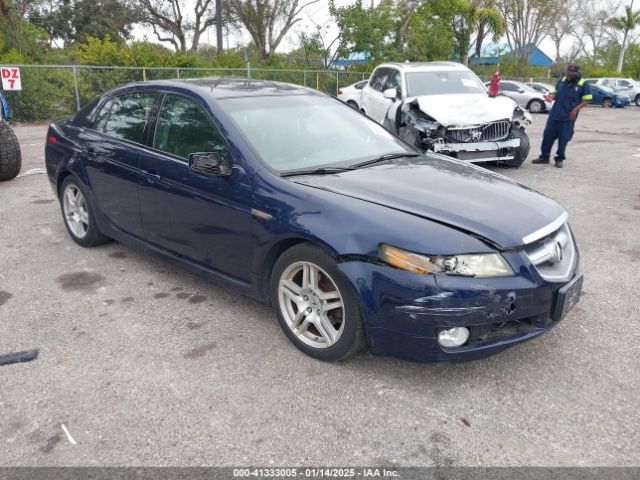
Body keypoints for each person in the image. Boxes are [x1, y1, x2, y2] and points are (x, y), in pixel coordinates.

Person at [532, 64, 592, 168]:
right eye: (568, 73)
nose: (569, 75)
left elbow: (587, 100)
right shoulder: (562, 80)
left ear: (577, 74)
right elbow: (555, 93)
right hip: (554, 115)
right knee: (547, 137)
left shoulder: (583, 84)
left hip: (568, 117)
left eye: (572, 74)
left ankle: (559, 159)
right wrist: (551, 97)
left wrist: (575, 109)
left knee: (563, 139)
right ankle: (544, 157)